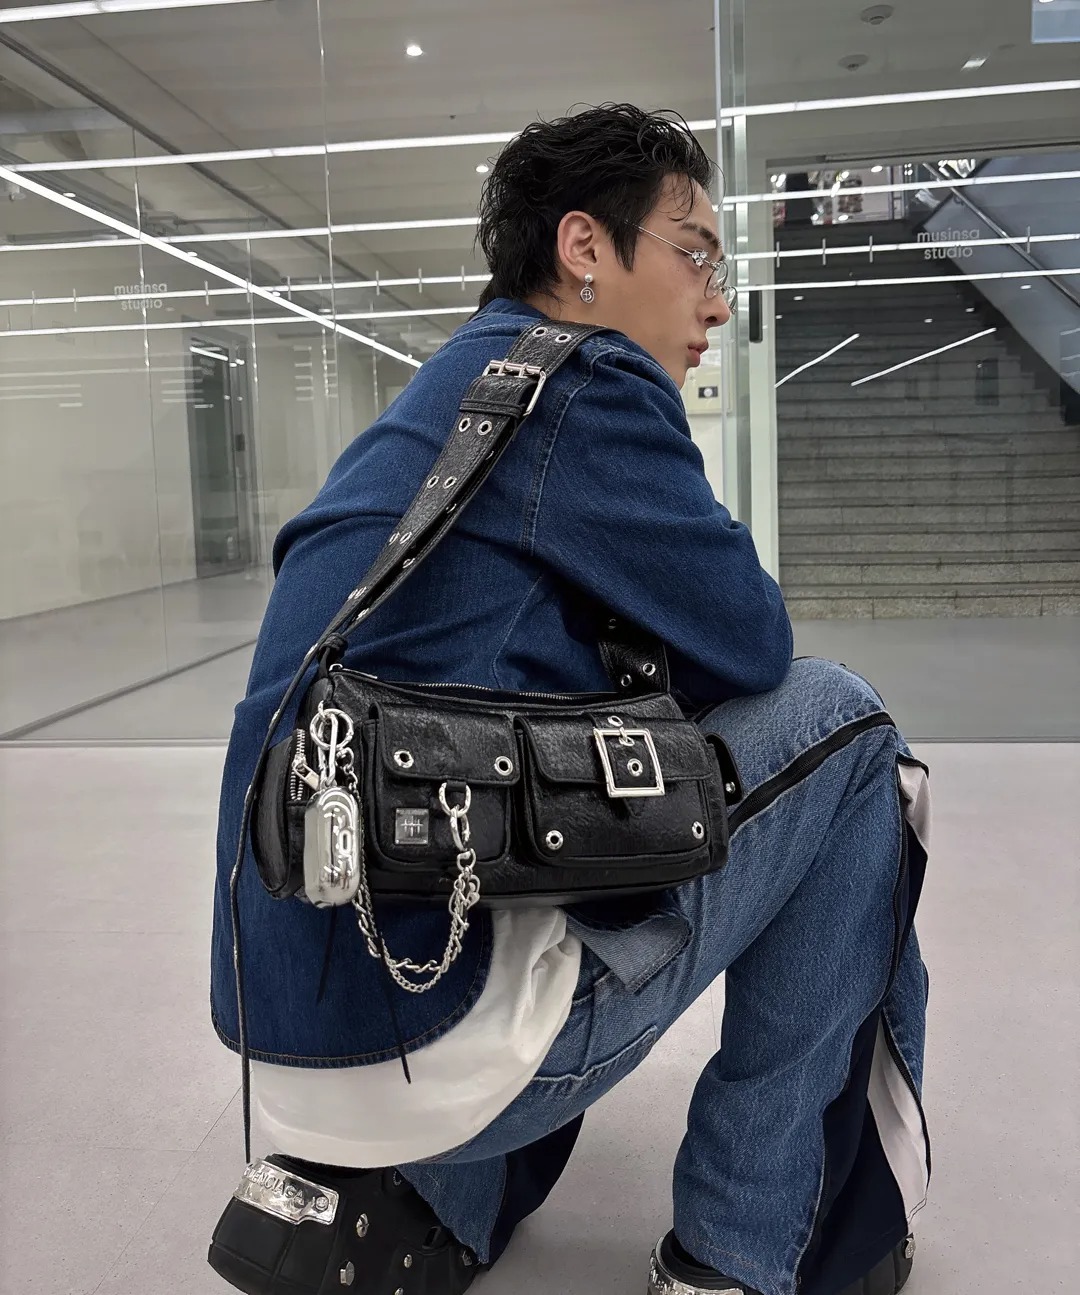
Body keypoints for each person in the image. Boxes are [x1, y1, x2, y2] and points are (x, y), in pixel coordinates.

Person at [210, 103, 930, 1295]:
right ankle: (746, 1247)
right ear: (585, 247)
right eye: (696, 255)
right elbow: (752, 640)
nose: (716, 302)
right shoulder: (586, 380)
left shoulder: (447, 392)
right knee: (846, 725)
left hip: (290, 1040)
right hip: (434, 1030)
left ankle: (433, 1196)